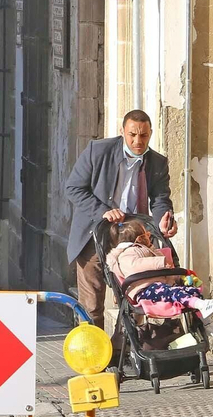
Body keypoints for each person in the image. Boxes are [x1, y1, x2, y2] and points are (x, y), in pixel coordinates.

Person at [64, 109, 176, 328]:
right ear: (123, 132)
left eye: (143, 135)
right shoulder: (98, 151)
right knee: (91, 303)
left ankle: (122, 349)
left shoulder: (157, 163)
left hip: (133, 237)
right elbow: (74, 188)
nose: (137, 141)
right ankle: (94, 357)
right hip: (94, 232)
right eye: (132, 134)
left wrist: (164, 220)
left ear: (150, 134)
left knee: (135, 295)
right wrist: (103, 211)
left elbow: (161, 198)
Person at [106, 218, 213, 319]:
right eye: (146, 235)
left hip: (159, 286)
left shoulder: (150, 250)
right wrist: (160, 262)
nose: (149, 238)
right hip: (144, 291)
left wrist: (178, 277)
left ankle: (206, 322)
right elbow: (135, 266)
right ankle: (203, 306)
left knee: (191, 290)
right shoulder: (126, 254)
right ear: (139, 240)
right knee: (174, 293)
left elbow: (166, 272)